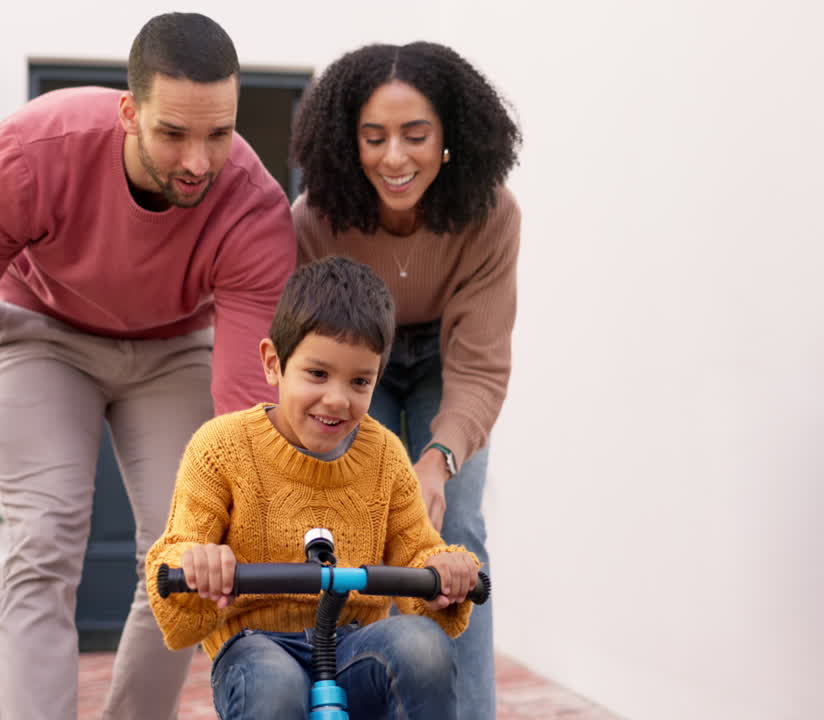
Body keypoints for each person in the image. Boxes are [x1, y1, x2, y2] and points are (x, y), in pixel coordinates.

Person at [0, 13, 295, 720]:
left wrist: (237, 515)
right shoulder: (30, 158)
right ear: (128, 112)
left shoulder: (253, 208)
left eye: (218, 133)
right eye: (173, 133)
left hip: (174, 347)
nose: (199, 161)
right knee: (45, 541)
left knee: (185, 554)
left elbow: (241, 397)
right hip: (43, 336)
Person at [289, 41, 522, 719]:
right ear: (346, 142)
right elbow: (318, 346)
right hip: (360, 362)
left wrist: (438, 460)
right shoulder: (316, 220)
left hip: (447, 355)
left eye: (416, 135)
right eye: (374, 137)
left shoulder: (492, 214)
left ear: (450, 136)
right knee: (362, 530)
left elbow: (479, 362)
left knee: (458, 538)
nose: (395, 158)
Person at [145, 256, 481, 720]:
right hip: (257, 650)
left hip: (356, 646)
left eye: (360, 381)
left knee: (422, 648)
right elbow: (176, 560)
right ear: (273, 363)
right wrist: (196, 563)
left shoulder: (384, 455)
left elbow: (417, 554)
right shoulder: (221, 447)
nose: (337, 399)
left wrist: (442, 571)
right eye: (317, 374)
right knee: (274, 684)